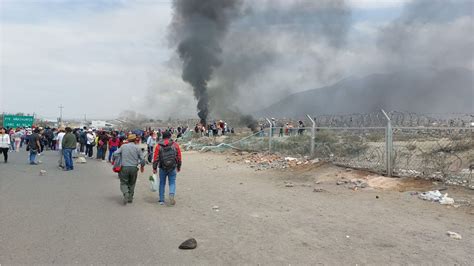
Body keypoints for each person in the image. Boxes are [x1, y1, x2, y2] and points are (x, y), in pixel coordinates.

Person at [113, 134, 145, 205]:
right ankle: (130, 198)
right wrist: (142, 167)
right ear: (135, 140)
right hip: (134, 168)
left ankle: (126, 193)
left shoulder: (123, 146)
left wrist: (120, 157)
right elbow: (142, 159)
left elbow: (115, 154)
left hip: (124, 167)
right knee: (132, 183)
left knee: (123, 182)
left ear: (128, 139)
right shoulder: (138, 148)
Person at [152, 131, 182, 206]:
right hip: (172, 167)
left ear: (162, 136)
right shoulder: (175, 145)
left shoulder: (158, 146)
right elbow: (179, 157)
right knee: (172, 182)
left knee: (162, 183)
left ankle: (161, 200)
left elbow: (155, 158)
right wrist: (178, 166)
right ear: (170, 136)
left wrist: (154, 168)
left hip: (162, 167)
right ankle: (171, 194)